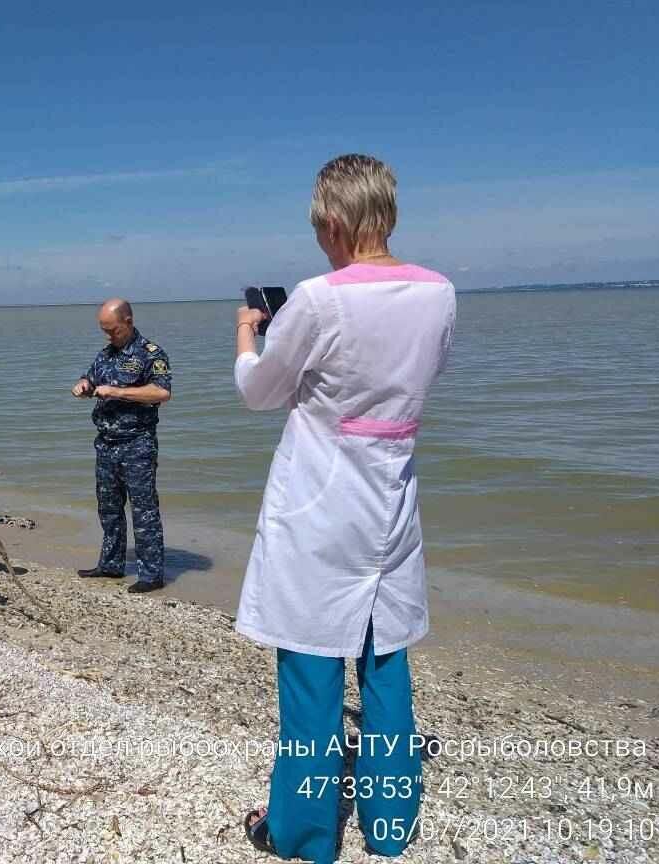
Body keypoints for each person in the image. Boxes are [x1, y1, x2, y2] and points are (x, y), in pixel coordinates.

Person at [234, 155, 456, 861]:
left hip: (321, 504)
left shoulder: (319, 297)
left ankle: (302, 833)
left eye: (318, 227)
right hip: (390, 500)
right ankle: (390, 826)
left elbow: (262, 390)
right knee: (385, 662)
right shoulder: (440, 293)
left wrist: (249, 336)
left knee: (311, 668)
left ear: (334, 221)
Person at [72, 299, 172, 593]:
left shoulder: (150, 354)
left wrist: (117, 391)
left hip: (137, 443)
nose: (108, 336)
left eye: (112, 330)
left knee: (144, 510)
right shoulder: (106, 354)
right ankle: (111, 564)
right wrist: (83, 385)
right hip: (106, 444)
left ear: (128, 321)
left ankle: (152, 574)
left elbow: (162, 392)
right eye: (104, 331)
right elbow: (90, 377)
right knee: (109, 508)